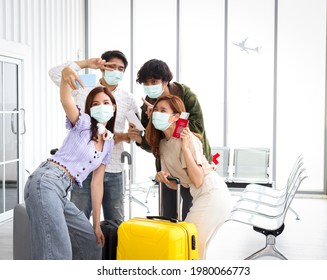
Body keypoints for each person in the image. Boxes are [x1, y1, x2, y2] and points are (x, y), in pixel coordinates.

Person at [24, 68, 116, 259]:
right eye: (96, 104)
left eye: (106, 102)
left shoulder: (108, 143)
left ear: (113, 107)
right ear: (90, 108)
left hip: (61, 191)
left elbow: (97, 184)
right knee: (58, 254)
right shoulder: (83, 122)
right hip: (47, 181)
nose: (102, 106)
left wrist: (97, 224)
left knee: (91, 242)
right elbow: (66, 100)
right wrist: (67, 75)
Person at [49, 51, 139, 222]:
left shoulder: (128, 99)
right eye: (112, 66)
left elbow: (135, 134)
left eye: (121, 69)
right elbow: (55, 73)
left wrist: (123, 136)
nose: (116, 71)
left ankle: (109, 249)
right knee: (78, 219)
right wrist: (86, 64)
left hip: (112, 167)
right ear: (103, 66)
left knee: (115, 222)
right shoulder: (84, 87)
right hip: (83, 168)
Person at [146, 94, 231, 259]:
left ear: (176, 117)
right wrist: (162, 177)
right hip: (201, 195)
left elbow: (198, 180)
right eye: (155, 109)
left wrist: (185, 149)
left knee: (188, 242)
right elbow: (176, 184)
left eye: (163, 110)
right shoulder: (163, 145)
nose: (157, 113)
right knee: (196, 248)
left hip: (212, 193)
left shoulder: (188, 140)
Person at [128, 59, 211, 220]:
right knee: (167, 215)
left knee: (191, 215)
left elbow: (196, 128)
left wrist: (166, 118)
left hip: (191, 160)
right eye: (146, 83)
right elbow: (153, 143)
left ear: (166, 81)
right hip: (168, 166)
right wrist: (139, 137)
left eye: (154, 81)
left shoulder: (186, 95)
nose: (150, 86)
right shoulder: (148, 105)